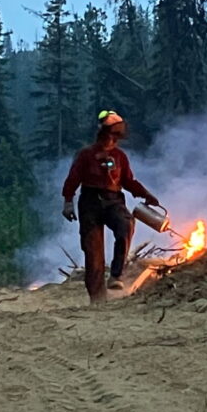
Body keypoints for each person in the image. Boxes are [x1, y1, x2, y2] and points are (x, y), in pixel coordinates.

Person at [61, 110, 162, 303]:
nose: (112, 140)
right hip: (90, 203)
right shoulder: (85, 155)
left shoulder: (120, 157)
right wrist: (68, 202)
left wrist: (146, 194)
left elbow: (128, 181)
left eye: (115, 136)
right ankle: (97, 298)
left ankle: (116, 275)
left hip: (113, 200)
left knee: (126, 225)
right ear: (103, 134)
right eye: (110, 135)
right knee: (93, 253)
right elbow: (72, 180)